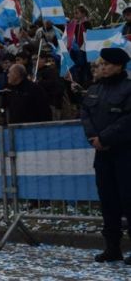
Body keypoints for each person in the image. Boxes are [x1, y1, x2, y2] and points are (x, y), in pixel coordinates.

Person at [79, 47, 131, 264]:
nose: (103, 68)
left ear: (119, 66)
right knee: (108, 201)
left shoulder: (128, 89)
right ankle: (112, 247)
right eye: (101, 64)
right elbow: (86, 115)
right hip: (102, 155)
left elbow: (128, 120)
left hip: (125, 153)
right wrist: (94, 138)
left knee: (129, 199)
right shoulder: (94, 89)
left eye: (107, 64)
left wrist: (106, 138)